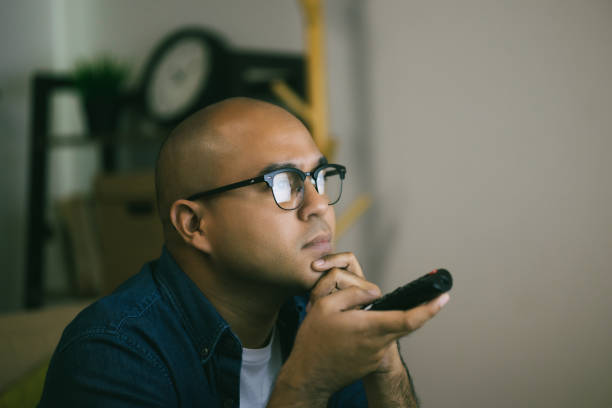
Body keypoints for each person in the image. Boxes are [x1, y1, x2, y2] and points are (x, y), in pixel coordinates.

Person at [39, 97, 450, 407]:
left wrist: (385, 365)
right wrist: (308, 382)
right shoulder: (111, 354)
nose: (320, 205)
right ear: (194, 224)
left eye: (320, 178)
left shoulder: (314, 317)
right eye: (284, 182)